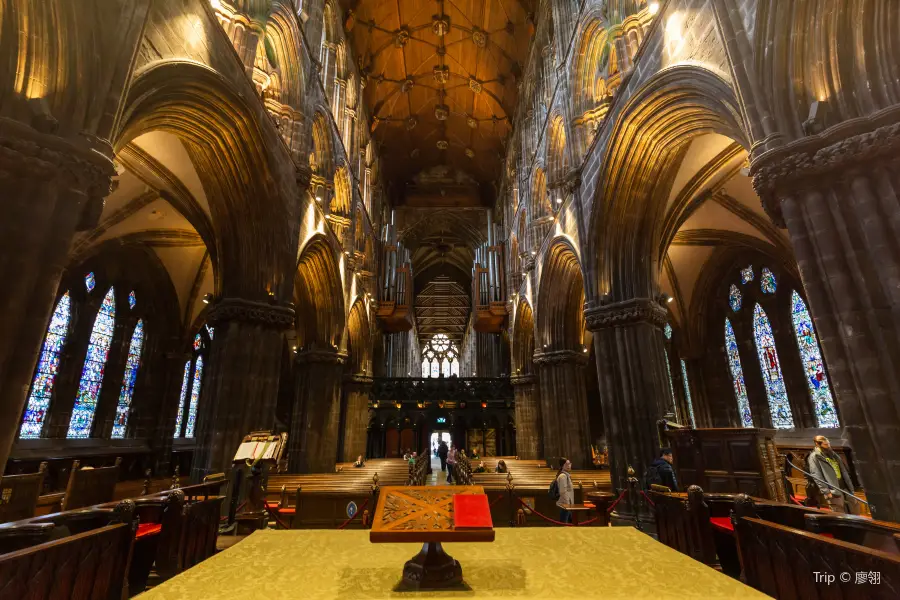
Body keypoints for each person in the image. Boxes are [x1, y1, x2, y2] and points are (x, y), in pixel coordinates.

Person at [807, 435, 858, 514]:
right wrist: (826, 492)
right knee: (840, 512)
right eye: (825, 445)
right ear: (817, 444)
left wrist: (850, 486)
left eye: (829, 444)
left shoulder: (833, 454)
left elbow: (843, 470)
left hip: (844, 486)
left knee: (854, 507)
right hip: (833, 489)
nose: (828, 446)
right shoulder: (814, 457)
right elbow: (816, 475)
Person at [555, 457, 574, 524]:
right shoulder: (563, 476)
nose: (569, 465)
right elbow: (563, 491)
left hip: (568, 505)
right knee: (564, 525)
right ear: (562, 466)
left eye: (569, 464)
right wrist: (568, 505)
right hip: (565, 505)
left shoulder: (566, 475)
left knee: (568, 523)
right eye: (567, 464)